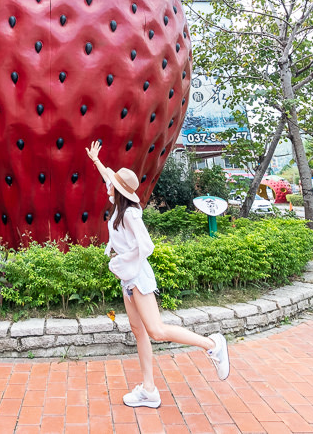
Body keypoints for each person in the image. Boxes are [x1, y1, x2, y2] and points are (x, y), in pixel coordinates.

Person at [86, 140, 230, 409]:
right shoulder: (118, 205)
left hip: (137, 277)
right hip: (128, 278)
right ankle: (149, 390)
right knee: (139, 331)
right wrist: (96, 161)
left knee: (156, 330)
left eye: (112, 184)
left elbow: (147, 246)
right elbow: (108, 176)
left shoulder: (130, 214)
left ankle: (212, 344)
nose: (108, 186)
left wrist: (120, 262)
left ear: (118, 191)